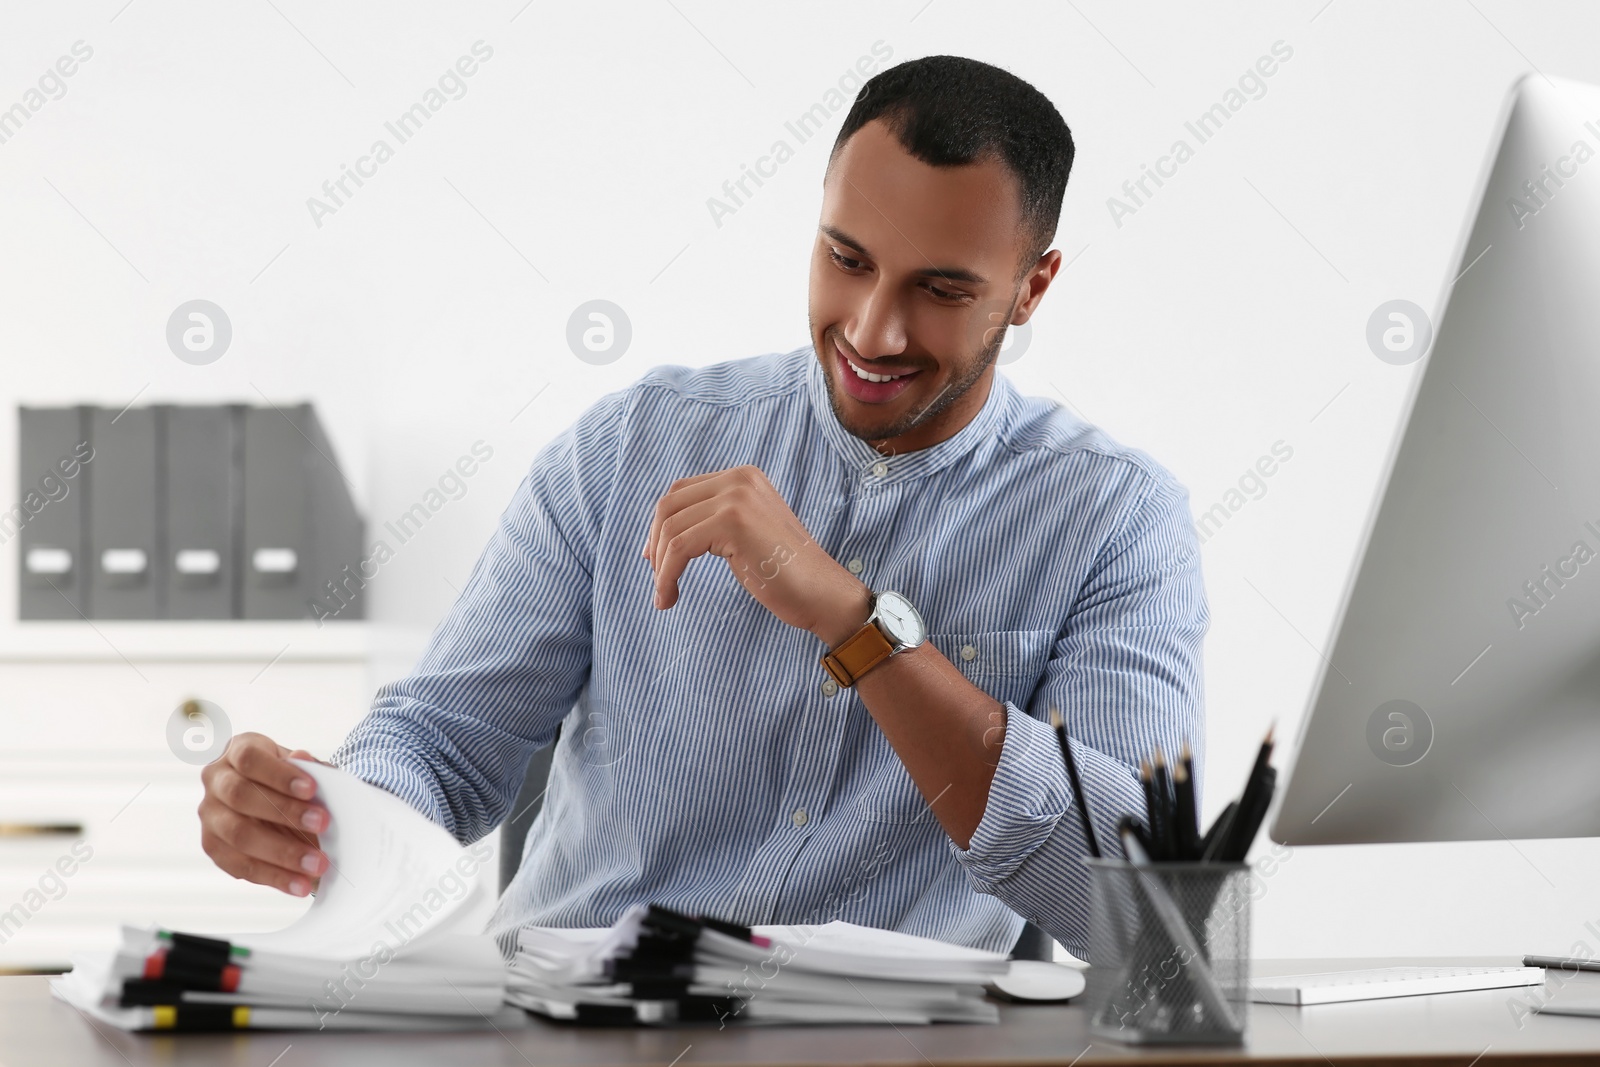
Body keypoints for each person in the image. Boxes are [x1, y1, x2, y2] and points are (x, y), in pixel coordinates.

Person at [197, 54, 1208, 961]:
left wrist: (856, 625)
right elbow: (443, 748)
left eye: (940, 289)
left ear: (1032, 286)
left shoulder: (1117, 522)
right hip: (577, 1038)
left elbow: (1138, 910)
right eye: (845, 258)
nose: (871, 329)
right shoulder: (631, 444)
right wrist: (322, 816)